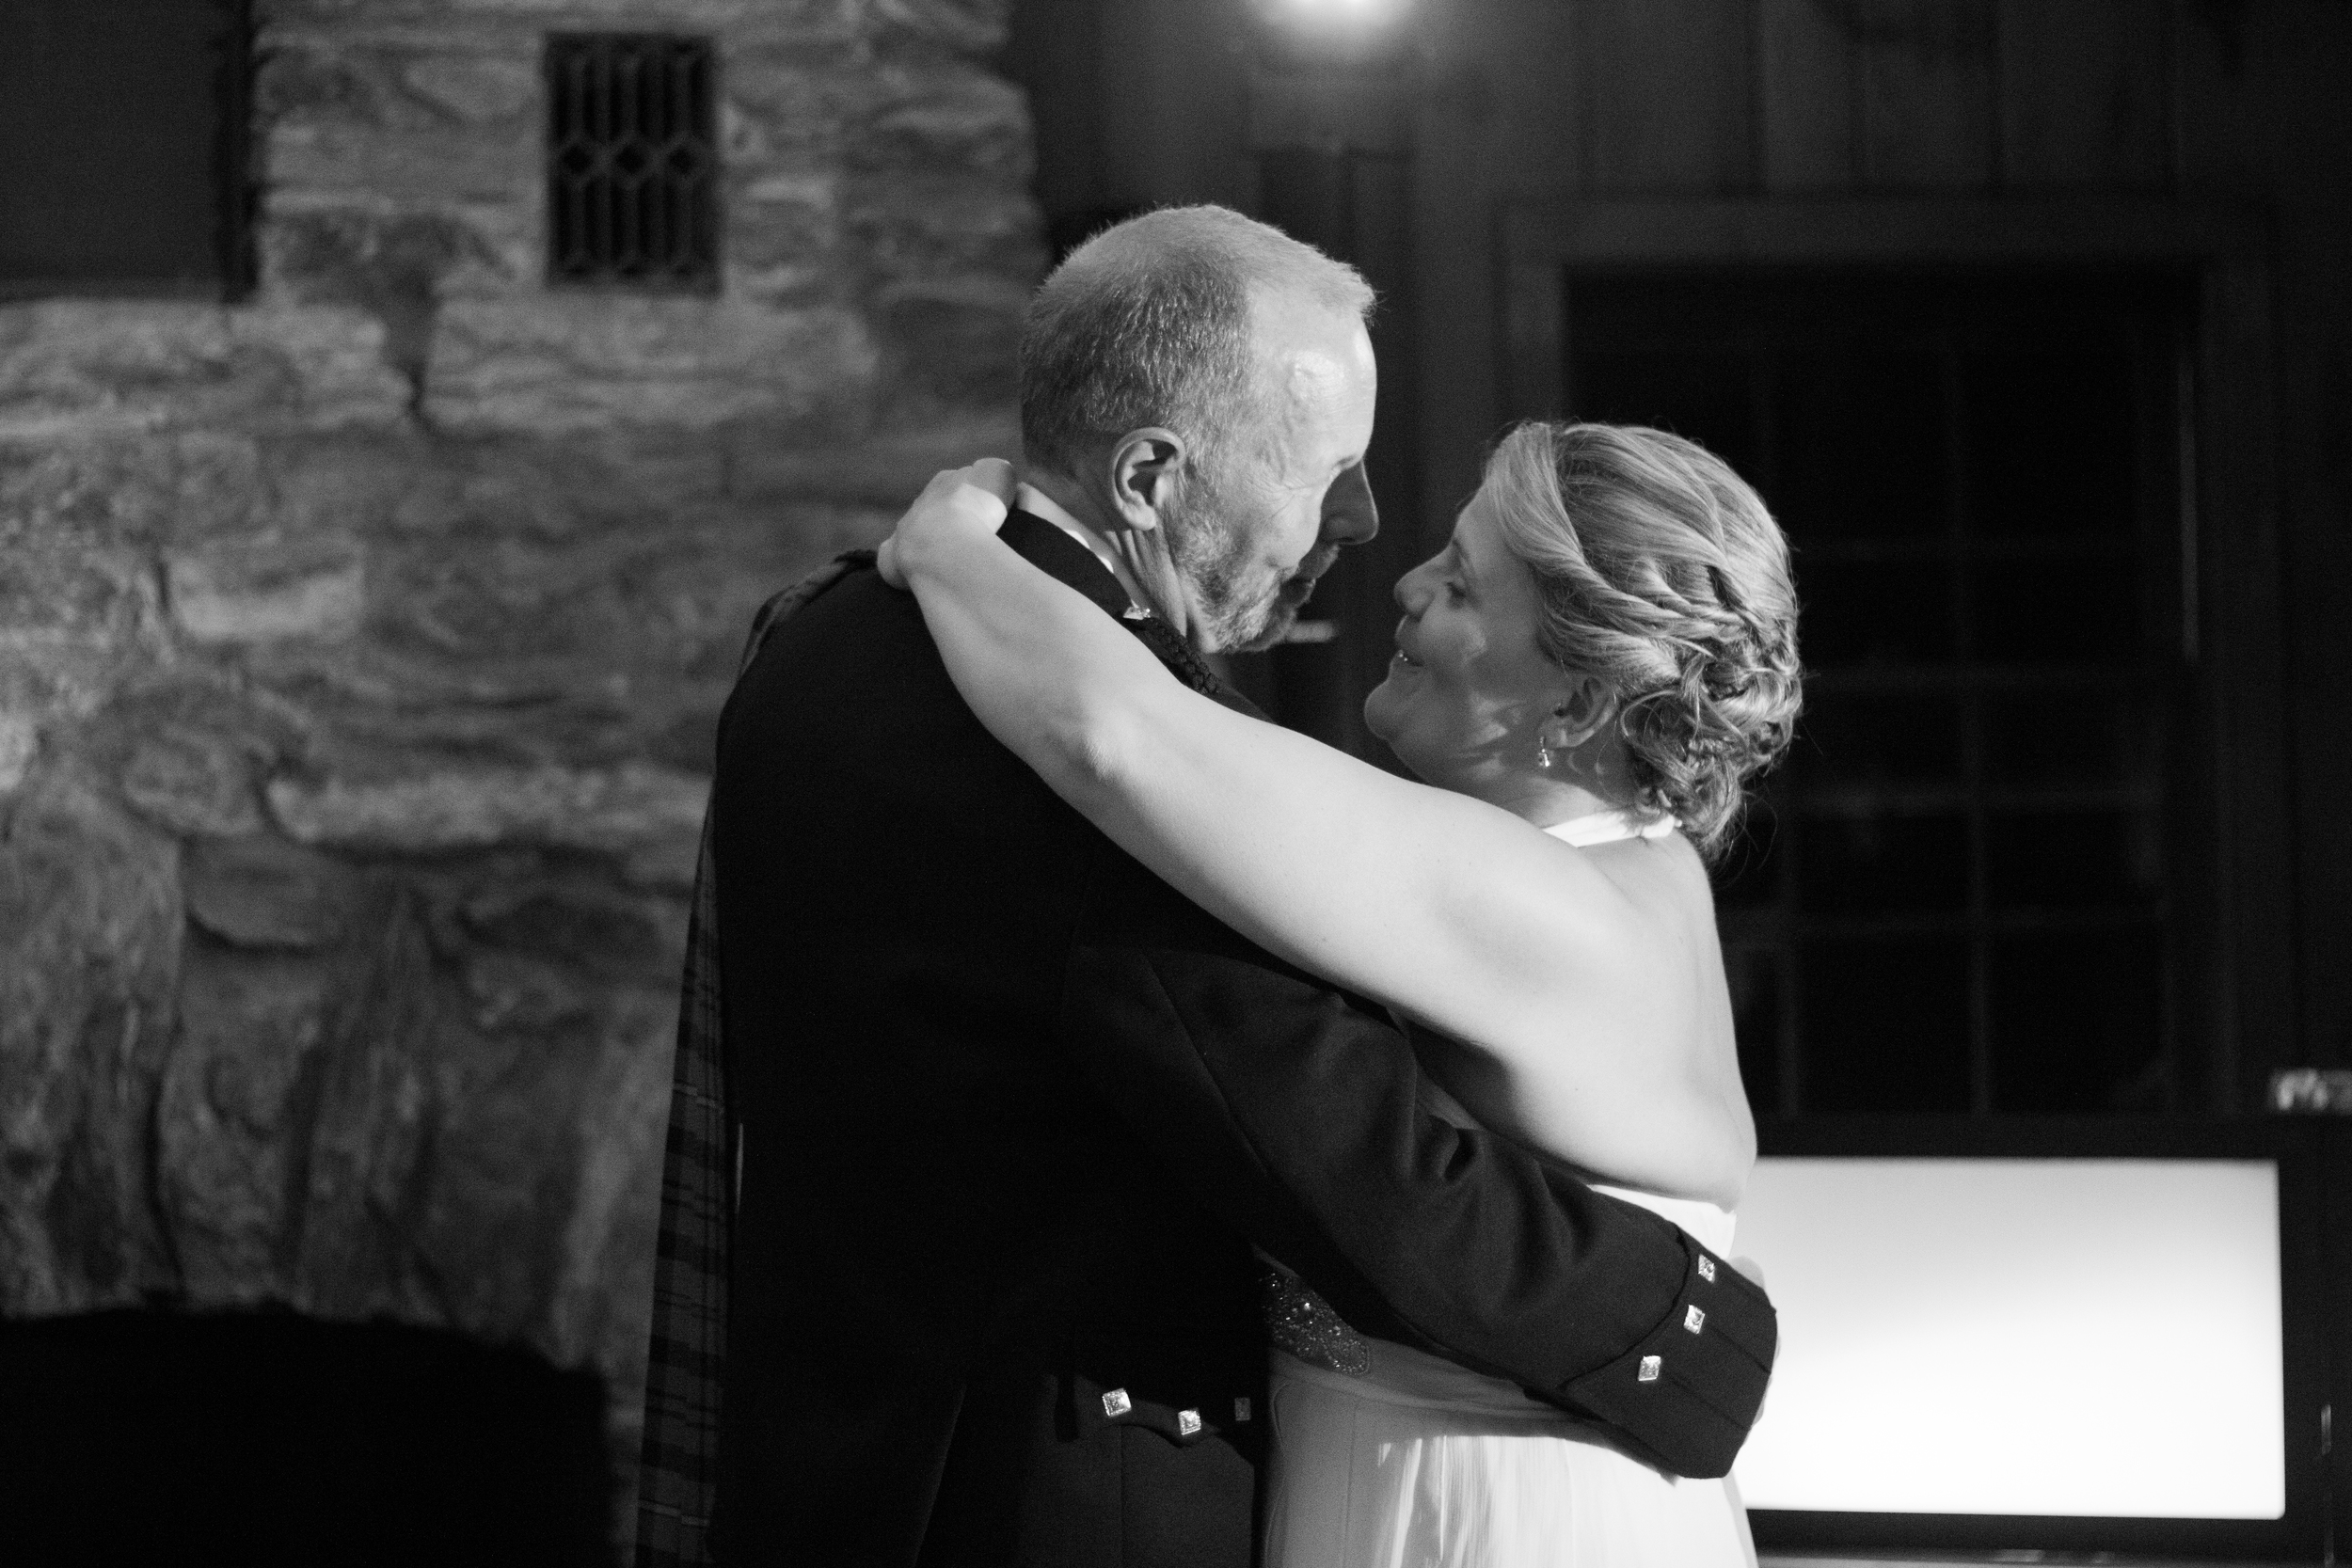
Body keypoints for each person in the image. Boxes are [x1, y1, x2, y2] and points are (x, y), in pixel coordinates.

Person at [633, 206, 1774, 1568]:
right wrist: (1697, 1335)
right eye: (1327, 471)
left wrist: (944, 538)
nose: (1365, 530)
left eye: (1459, 577)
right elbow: (1360, 1157)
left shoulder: (811, 644)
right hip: (1055, 1510)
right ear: (1151, 478)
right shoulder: (1092, 762)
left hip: (842, 1467)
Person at [874, 416, 1801, 1565]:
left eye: (1461, 585)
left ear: (1577, 703)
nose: (1406, 586)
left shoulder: (1540, 904)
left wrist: (947, 549)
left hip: (1485, 1515)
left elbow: (1112, 737)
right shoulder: (1632, 862)